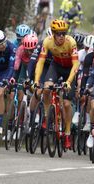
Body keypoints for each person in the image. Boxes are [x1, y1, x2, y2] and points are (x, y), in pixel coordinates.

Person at [33, 19, 79, 149]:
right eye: (58, 34)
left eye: (63, 33)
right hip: (56, 66)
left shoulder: (71, 42)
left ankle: (68, 132)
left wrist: (69, 82)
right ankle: (47, 116)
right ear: (53, 34)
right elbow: (40, 62)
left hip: (69, 69)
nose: (61, 36)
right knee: (46, 89)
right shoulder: (47, 42)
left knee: (66, 103)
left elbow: (76, 64)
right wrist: (36, 81)